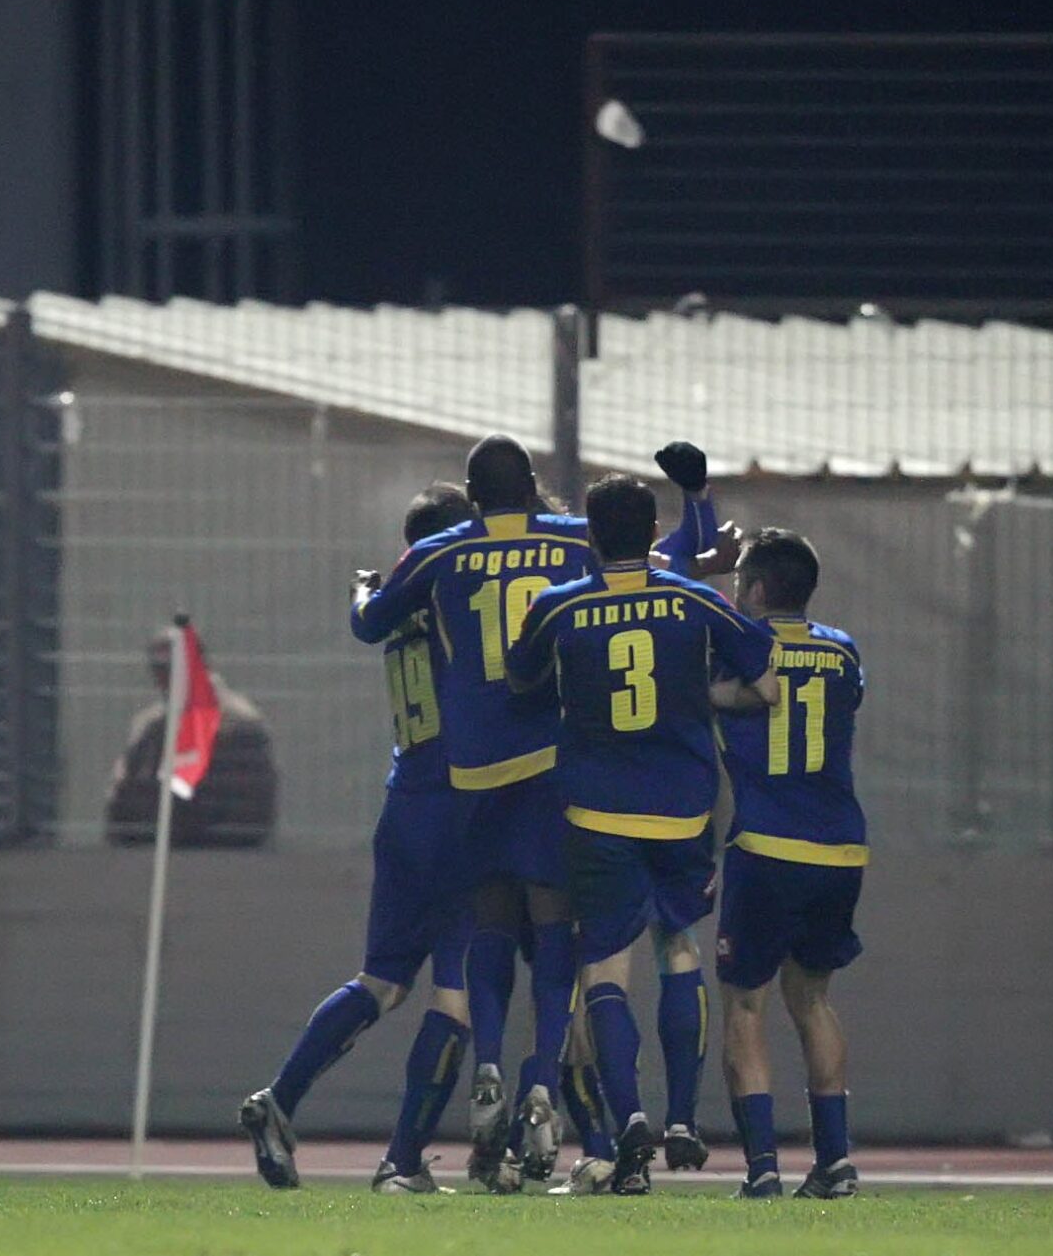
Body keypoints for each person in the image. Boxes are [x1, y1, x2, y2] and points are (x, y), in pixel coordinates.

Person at [506, 473, 777, 1195]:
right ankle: (682, 1117)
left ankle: (628, 1120)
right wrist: (702, 694)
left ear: (591, 536)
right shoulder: (695, 600)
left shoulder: (558, 605)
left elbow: (521, 680)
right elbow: (765, 683)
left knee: (605, 967)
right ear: (653, 530)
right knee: (679, 946)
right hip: (684, 809)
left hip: (596, 810)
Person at [348, 435, 596, 1189]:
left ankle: (487, 1066)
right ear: (530, 485)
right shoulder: (574, 538)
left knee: (489, 920)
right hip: (549, 763)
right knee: (553, 926)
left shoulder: (441, 551)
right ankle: (541, 1081)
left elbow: (371, 623)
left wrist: (362, 591)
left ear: (474, 495)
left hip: (475, 771)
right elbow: (638, 568)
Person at [239, 482, 482, 1194]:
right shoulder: (460, 597)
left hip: (404, 802)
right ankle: (402, 1161)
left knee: (381, 980)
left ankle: (281, 1097)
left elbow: (365, 618)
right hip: (460, 807)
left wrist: (363, 591)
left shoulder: (394, 604)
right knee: (457, 994)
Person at [712, 528, 867, 1200]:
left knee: (746, 1004)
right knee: (813, 999)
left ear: (754, 588)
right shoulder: (843, 649)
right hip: (840, 847)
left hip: (766, 845)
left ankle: (763, 1169)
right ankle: (834, 1163)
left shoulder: (736, 647)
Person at [104, 629, 278, 848]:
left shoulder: (239, 724)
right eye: (161, 669)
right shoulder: (151, 726)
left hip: (226, 848)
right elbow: (123, 794)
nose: (167, 678)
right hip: (160, 844)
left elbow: (255, 801)